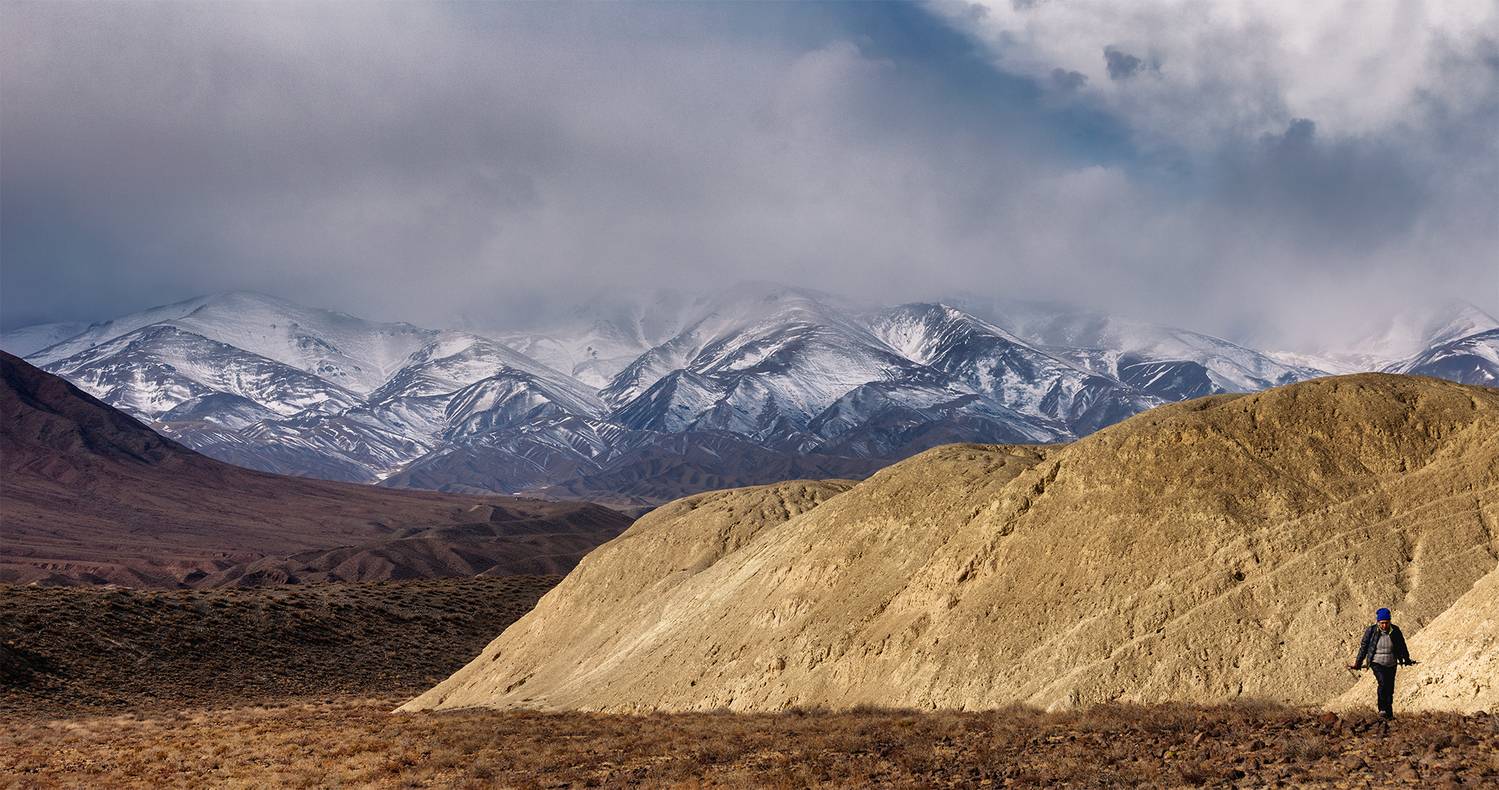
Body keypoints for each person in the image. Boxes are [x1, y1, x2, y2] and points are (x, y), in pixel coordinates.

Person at [1347, 607, 1414, 719]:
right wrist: (1358, 663)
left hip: (1391, 663)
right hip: (1376, 662)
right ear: (1378, 622)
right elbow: (1364, 647)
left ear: (1390, 621)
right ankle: (1382, 709)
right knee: (1383, 683)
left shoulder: (1395, 631)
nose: (1384, 626)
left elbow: (1402, 646)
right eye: (1382, 623)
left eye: (1386, 623)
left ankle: (1389, 712)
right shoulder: (1371, 631)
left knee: (1390, 688)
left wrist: (1406, 660)